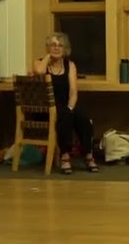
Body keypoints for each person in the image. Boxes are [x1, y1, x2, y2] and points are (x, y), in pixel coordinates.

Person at [30, 32, 100, 174]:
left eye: (60, 45)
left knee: (82, 117)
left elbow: (73, 92)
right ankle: (65, 155)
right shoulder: (39, 62)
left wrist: (70, 107)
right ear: (48, 48)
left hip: (65, 106)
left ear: (65, 48)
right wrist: (48, 57)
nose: (56, 48)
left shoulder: (70, 65)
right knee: (65, 117)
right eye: (53, 45)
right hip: (45, 110)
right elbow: (39, 71)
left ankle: (88, 154)